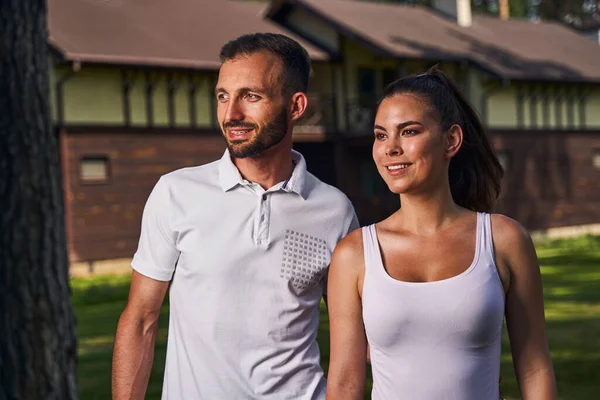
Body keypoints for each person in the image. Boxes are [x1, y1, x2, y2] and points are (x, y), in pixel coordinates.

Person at [112, 33, 358, 399]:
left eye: (251, 96)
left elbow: (355, 337)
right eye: (223, 96)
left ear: (295, 106)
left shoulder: (334, 209)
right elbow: (141, 320)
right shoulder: (176, 192)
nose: (231, 115)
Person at [326, 68, 557, 399]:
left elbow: (535, 366)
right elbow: (346, 382)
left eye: (408, 131)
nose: (390, 148)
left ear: (451, 140)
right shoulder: (354, 254)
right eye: (380, 135)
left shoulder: (502, 240)